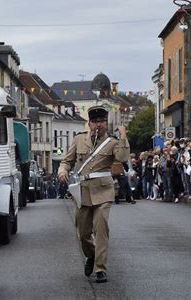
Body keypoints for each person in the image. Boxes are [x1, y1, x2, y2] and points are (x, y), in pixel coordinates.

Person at [58, 106, 130, 283]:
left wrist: (123, 136)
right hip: (82, 191)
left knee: (101, 229)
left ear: (106, 123)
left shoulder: (113, 142)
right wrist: (62, 170)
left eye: (102, 122)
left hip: (104, 190)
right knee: (83, 233)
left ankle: (100, 268)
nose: (99, 125)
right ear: (89, 123)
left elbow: (121, 158)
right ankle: (90, 255)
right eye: (96, 122)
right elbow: (67, 160)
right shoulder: (79, 140)